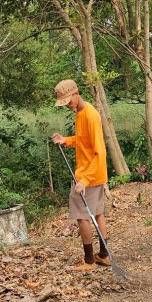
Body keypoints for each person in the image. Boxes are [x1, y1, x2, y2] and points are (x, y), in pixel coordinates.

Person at [50, 80, 111, 270]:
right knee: (98, 213)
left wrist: (84, 180)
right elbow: (84, 141)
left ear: (76, 94)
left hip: (89, 174)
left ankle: (89, 261)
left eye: (69, 100)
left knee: (82, 215)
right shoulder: (80, 113)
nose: (68, 105)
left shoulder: (90, 116)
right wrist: (66, 140)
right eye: (64, 102)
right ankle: (104, 255)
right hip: (94, 173)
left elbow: (100, 152)